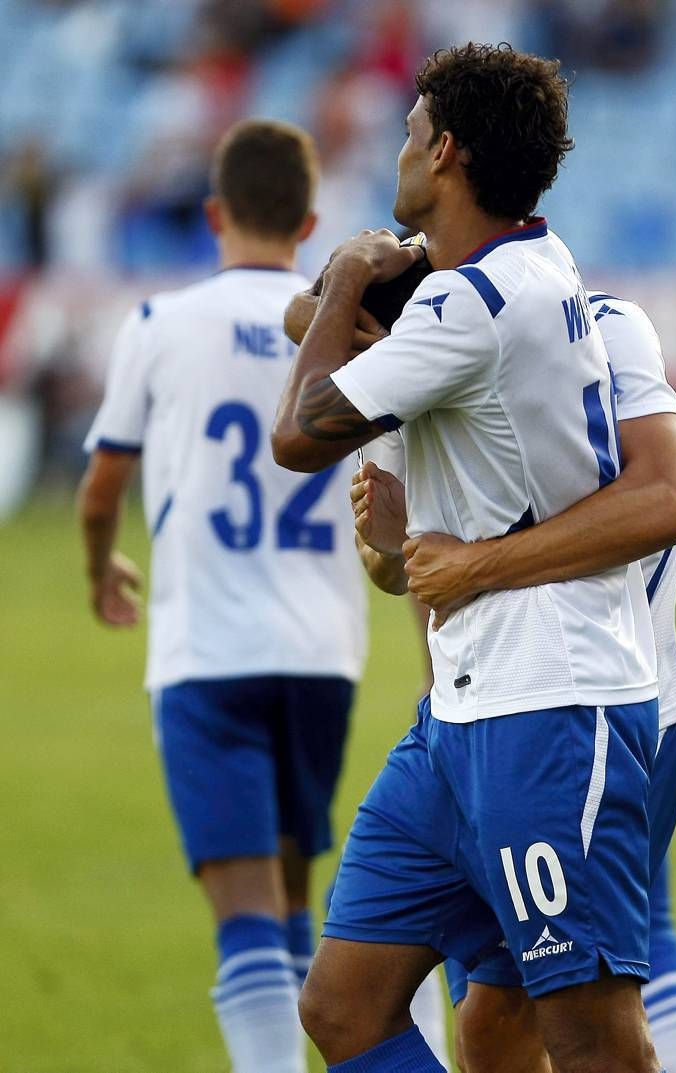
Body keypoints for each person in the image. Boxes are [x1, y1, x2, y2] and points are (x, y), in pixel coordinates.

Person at [272, 43, 676, 1073]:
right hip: (457, 717)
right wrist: (357, 292)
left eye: (411, 133)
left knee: (589, 1035)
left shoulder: (470, 306)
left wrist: (348, 280)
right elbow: (345, 328)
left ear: (448, 151)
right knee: (343, 1002)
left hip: (547, 708)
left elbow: (295, 433)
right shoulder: (528, 270)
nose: (400, 150)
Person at [352, 288, 676, 1073]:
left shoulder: (608, 328)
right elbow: (405, 566)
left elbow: (667, 498)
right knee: (477, 1021)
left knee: (580, 1018)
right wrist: (388, 543)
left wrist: (472, 563)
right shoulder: (434, 349)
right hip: (474, 716)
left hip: (596, 708)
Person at [78, 119, 367, 1073]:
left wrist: (98, 562)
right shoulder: (347, 330)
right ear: (311, 219)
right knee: (291, 898)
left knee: (243, 908)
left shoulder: (162, 323)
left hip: (209, 651)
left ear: (213, 213)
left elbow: (102, 485)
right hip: (324, 651)